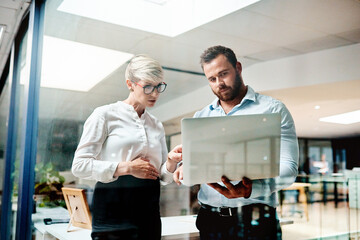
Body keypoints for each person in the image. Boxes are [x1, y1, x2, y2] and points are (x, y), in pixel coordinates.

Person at [172, 46, 299, 240]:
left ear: (238, 68)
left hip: (256, 220)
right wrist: (184, 167)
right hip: (210, 221)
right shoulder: (201, 117)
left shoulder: (273, 109)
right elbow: (195, 164)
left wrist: (252, 190)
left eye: (223, 74)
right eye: (212, 79)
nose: (219, 84)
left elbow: (289, 169)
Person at [72, 55, 181, 240]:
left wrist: (170, 161)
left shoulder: (156, 125)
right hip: (112, 212)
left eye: (159, 86)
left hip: (149, 213)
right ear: (130, 84)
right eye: (148, 86)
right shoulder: (104, 115)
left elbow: (163, 177)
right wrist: (127, 168)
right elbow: (79, 166)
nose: (155, 94)